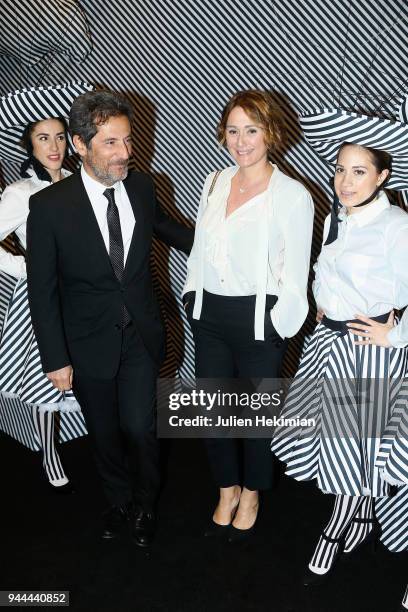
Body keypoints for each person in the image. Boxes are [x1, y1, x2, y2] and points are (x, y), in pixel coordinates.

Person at [26, 90, 194, 546]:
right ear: (80, 145)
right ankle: (117, 500)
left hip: (140, 334)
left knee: (140, 428)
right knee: (103, 432)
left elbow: (173, 231)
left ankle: (144, 505)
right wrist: (55, 359)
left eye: (127, 140)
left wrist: (229, 250)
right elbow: (42, 292)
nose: (125, 152)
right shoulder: (49, 207)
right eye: (111, 143)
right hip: (86, 343)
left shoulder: (140, 187)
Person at [272, 135, 408, 585]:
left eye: (359, 171)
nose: (345, 181)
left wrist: (397, 333)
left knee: (353, 448)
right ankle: (364, 516)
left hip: (368, 355)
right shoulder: (337, 217)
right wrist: (321, 301)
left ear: (382, 175)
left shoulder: (395, 225)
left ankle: (332, 532)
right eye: (341, 169)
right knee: (333, 444)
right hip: (327, 347)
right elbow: (324, 271)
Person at [183, 89, 314, 540]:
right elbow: (200, 248)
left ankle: (254, 491)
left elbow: (297, 274)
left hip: (260, 317)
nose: (241, 141)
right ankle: (227, 488)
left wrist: (279, 325)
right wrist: (191, 295)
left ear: (271, 133)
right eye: (234, 130)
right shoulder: (215, 181)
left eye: (252, 130)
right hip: (210, 315)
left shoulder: (292, 194)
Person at [0, 114, 78, 493]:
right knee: (45, 378)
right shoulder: (20, 193)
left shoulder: (84, 183)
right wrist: (23, 265)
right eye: (43, 138)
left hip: (83, 294)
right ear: (30, 146)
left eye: (60, 137)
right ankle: (48, 451)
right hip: (43, 296)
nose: (53, 146)